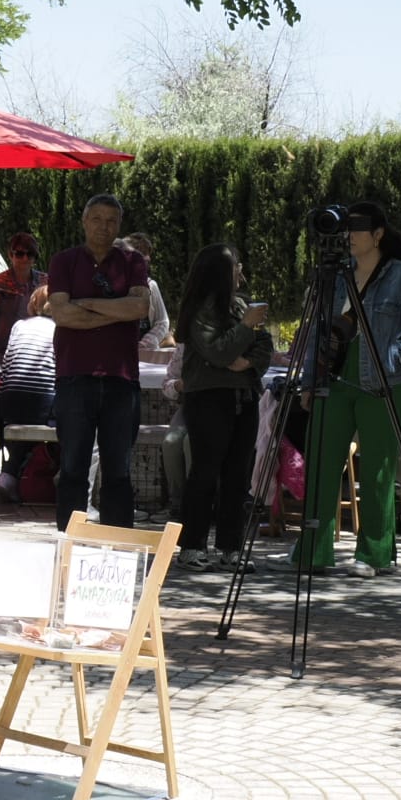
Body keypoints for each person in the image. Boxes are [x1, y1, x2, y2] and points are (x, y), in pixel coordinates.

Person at [290, 203, 401, 577]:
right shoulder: (334, 276)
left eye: (357, 229)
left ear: (378, 234)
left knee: (377, 470)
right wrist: (309, 381)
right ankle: (314, 551)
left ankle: (374, 554)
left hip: (384, 382)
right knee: (322, 465)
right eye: (346, 229)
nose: (348, 235)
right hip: (334, 378)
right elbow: (316, 332)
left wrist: (392, 358)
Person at [46, 194, 151, 531]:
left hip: (121, 380)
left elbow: (139, 309)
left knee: (118, 470)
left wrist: (87, 303)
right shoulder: (64, 261)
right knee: (73, 467)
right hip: (74, 377)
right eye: (97, 219)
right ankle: (70, 541)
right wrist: (115, 309)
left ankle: (120, 546)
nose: (104, 227)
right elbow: (61, 314)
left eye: (111, 221)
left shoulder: (133, 262)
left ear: (119, 225)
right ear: (84, 220)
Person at [175, 244, 274, 572]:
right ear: (219, 271)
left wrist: (248, 362)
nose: (241, 272)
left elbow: (265, 347)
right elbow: (217, 353)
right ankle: (192, 545)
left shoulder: (243, 305)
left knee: (238, 475)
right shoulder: (199, 310)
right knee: (205, 472)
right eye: (235, 266)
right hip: (208, 399)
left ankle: (231, 547)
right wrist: (245, 327)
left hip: (244, 398)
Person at [0, 291, 57, 501]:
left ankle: (9, 475)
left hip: (11, 400)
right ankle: (55, 468)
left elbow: (8, 364)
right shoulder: (60, 329)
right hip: (42, 401)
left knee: (23, 425)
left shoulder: (19, 326)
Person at [0, 232, 45, 368]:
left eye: (30, 254)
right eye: (19, 254)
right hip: (2, 350)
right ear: (10, 255)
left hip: (36, 348)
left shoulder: (44, 281)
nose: (24, 258)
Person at [120, 232, 173, 358]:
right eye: (143, 253)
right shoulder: (110, 287)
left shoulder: (151, 285)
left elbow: (162, 321)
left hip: (144, 355)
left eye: (148, 254)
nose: (148, 259)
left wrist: (147, 342)